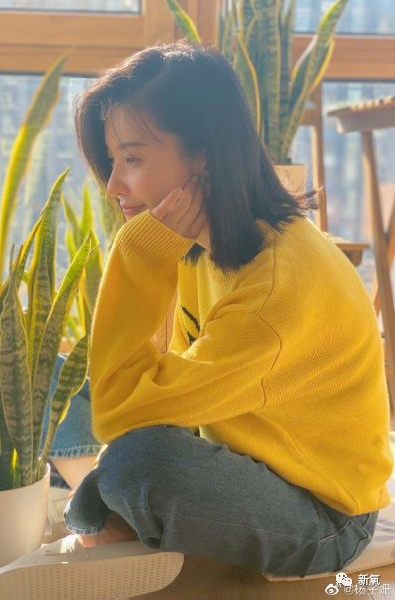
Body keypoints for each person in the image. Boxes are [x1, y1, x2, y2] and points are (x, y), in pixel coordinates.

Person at [45, 40, 393, 577]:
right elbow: (139, 388)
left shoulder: (273, 290)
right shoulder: (204, 240)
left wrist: (137, 256)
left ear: (203, 155)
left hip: (322, 514)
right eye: (113, 161)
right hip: (235, 450)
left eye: (133, 158)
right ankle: (99, 513)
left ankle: (97, 515)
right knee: (49, 382)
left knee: (135, 463)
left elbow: (119, 413)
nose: (114, 185)